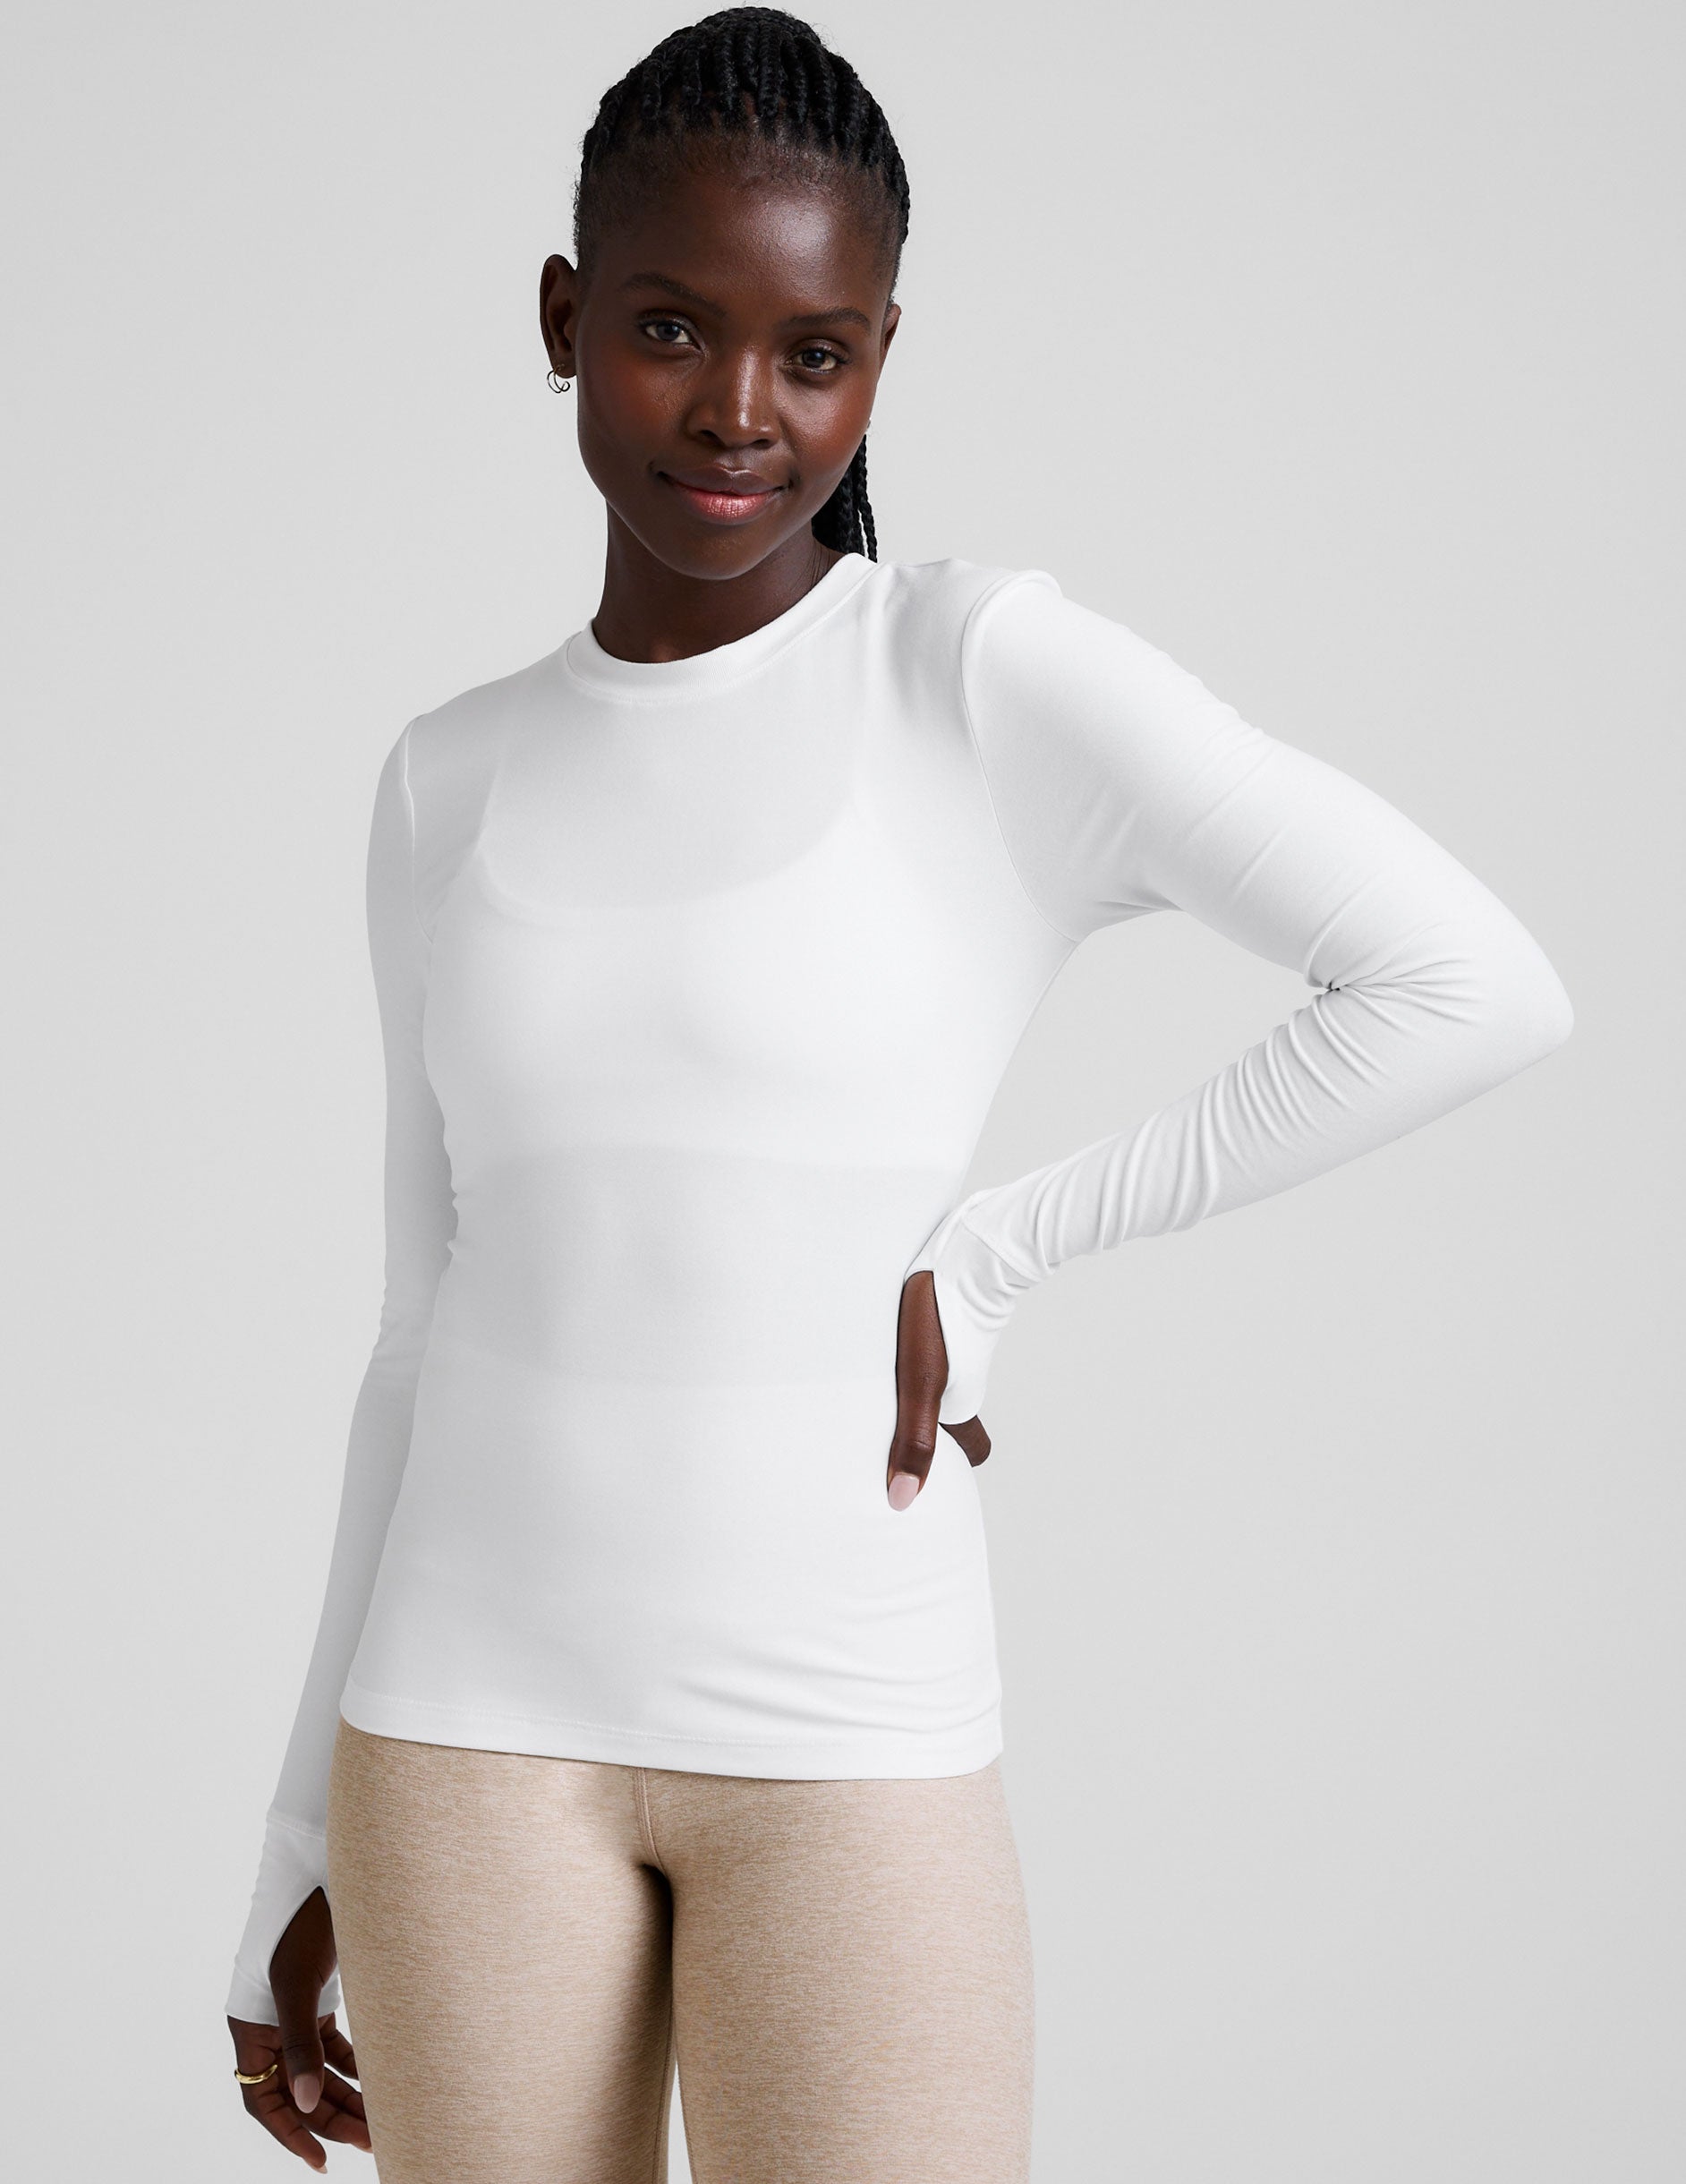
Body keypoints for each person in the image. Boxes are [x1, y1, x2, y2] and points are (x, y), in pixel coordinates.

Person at [223, 9, 1573, 2179]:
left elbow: (1469, 978)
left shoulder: (967, 674)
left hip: (849, 1736)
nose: (738, 409)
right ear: (565, 318)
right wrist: (299, 1829)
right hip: (455, 1753)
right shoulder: (443, 776)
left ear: (879, 362)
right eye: (670, 326)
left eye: (815, 351)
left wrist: (1008, 1245)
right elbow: (414, 1326)